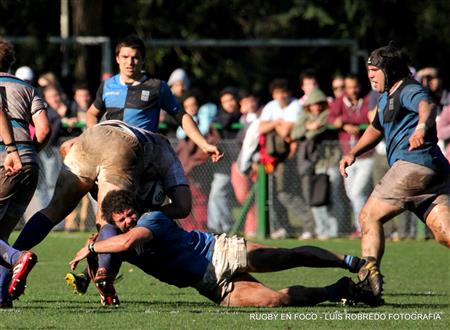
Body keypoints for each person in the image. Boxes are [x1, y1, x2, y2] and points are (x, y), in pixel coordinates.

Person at [69, 189, 375, 307]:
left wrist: (92, 246)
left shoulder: (152, 218)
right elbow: (111, 252)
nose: (128, 220)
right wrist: (96, 272)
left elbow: (124, 241)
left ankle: (352, 262)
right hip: (210, 284)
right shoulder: (113, 238)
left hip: (218, 251)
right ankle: (339, 290)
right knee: (274, 301)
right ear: (112, 221)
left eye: (129, 213)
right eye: (121, 218)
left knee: (286, 256)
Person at [2, 120, 191, 303]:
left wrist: (94, 184)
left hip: (90, 137)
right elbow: (183, 206)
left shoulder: (144, 140)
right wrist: (147, 216)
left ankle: (10, 264)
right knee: (108, 222)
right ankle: (104, 276)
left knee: (53, 210)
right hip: (121, 146)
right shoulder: (167, 153)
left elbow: (66, 146)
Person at [339, 42, 450, 304]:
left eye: (374, 71)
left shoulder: (408, 89)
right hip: (433, 171)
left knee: (368, 216)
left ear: (389, 70)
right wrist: (353, 152)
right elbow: (376, 129)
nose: (370, 76)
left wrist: (422, 127)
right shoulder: (386, 98)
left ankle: (367, 284)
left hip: (413, 166)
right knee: (445, 234)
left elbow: (427, 106)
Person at [79, 36, 221, 162]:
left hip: (145, 154)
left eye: (135, 57)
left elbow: (181, 116)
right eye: (125, 57)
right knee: (69, 151)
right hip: (109, 150)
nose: (130, 62)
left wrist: (204, 144)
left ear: (143, 60)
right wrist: (94, 135)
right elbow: (92, 113)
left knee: (180, 187)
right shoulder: (107, 85)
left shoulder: (157, 87)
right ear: (117, 59)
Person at [0, 38, 51, 308]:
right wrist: (28, 155)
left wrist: (11, 151)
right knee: (1, 236)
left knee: (6, 247)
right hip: (29, 163)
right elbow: (44, 130)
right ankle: (2, 298)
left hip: (4, 160)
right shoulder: (27, 88)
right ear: (11, 62)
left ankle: (18, 259)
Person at [291, 89, 344, 240]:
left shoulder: (328, 114)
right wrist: (308, 127)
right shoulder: (305, 117)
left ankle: (335, 230)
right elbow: (294, 134)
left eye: (319, 104)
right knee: (317, 197)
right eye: (313, 105)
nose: (316, 108)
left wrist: (310, 128)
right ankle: (322, 230)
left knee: (332, 196)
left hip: (332, 161)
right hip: (315, 164)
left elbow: (318, 130)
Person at [329, 74, 373, 237]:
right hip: (347, 156)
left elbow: (370, 119)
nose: (352, 91)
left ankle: (363, 227)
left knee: (357, 193)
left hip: (367, 155)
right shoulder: (341, 101)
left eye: (355, 87)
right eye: (348, 88)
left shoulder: (367, 100)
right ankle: (362, 226)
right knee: (352, 194)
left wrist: (357, 125)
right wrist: (343, 123)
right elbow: (330, 117)